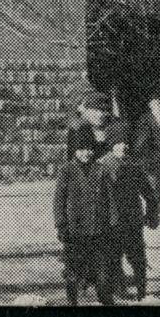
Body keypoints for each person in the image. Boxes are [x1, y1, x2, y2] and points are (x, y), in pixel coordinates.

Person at [98, 120, 158, 300]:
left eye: (125, 143)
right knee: (112, 259)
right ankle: (116, 292)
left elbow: (148, 192)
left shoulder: (134, 166)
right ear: (111, 145)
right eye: (118, 143)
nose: (122, 147)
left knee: (138, 259)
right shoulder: (101, 166)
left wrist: (152, 212)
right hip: (110, 221)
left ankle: (142, 293)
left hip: (132, 220)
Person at [54, 127, 116, 304]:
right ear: (75, 151)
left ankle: (105, 298)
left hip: (98, 229)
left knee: (102, 271)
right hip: (75, 231)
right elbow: (59, 200)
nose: (86, 153)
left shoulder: (101, 169)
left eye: (89, 149)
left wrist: (113, 220)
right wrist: (61, 224)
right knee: (73, 270)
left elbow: (111, 198)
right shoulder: (67, 170)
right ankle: (72, 301)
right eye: (81, 149)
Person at [65, 89, 114, 159]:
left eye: (105, 110)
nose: (101, 114)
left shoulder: (112, 128)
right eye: (96, 109)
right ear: (81, 108)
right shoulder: (77, 130)